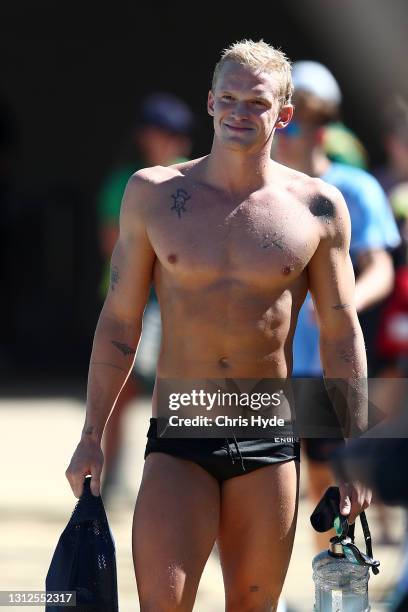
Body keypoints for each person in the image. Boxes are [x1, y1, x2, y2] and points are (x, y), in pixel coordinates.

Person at [66, 40, 372, 611]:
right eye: (227, 98)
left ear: (284, 114)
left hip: (268, 436)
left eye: (255, 102)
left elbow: (340, 331)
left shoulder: (318, 208)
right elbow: (119, 321)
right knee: (164, 601)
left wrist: (356, 450)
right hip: (180, 431)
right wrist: (90, 436)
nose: (238, 112)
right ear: (209, 103)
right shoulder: (152, 194)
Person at [274, 60, 400, 551]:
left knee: (332, 486)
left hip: (330, 366)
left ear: (323, 127)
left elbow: (381, 270)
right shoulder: (262, 190)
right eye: (284, 122)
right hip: (270, 367)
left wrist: (342, 304)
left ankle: (332, 581)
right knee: (278, 485)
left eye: (298, 122)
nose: (285, 134)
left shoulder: (357, 189)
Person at [97, 93, 194, 500]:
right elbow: (112, 244)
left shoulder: (195, 181)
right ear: (143, 136)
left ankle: (170, 477)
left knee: (173, 391)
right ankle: (106, 478)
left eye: (175, 134)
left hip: (177, 302)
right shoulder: (126, 182)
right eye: (160, 133)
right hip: (130, 299)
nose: (168, 142)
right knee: (117, 389)